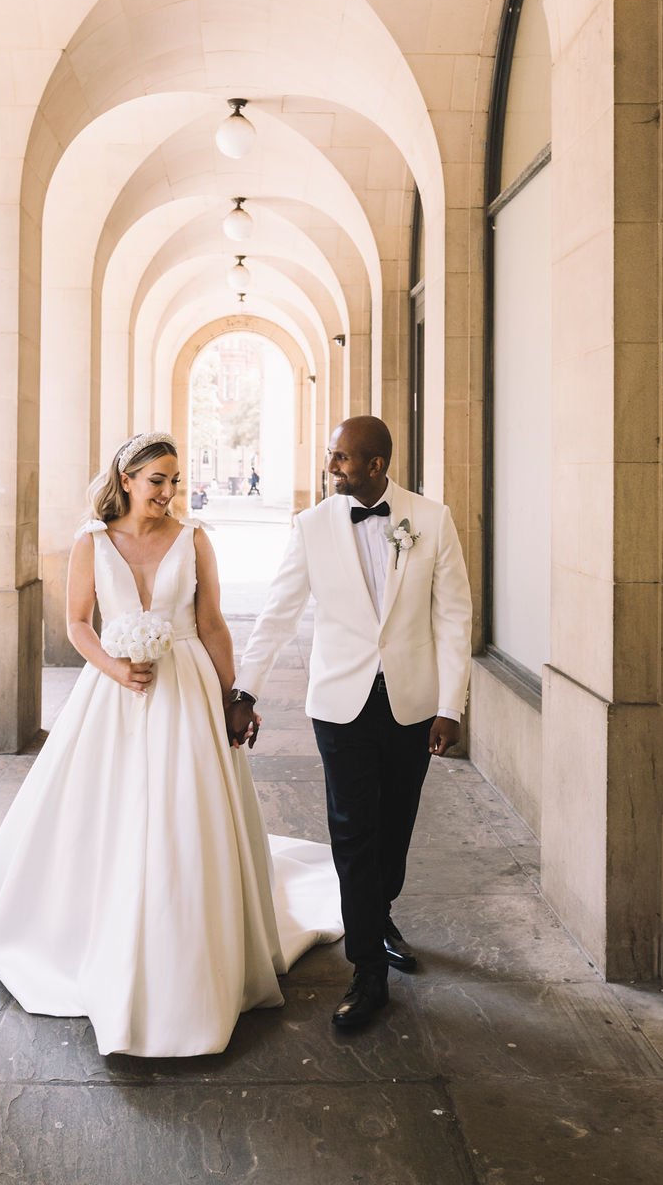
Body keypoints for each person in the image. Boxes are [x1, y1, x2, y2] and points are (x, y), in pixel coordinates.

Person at [0, 432, 341, 1057]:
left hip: (187, 687)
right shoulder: (90, 542)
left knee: (184, 814)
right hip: (113, 691)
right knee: (108, 810)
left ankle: (191, 943)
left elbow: (212, 621)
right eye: (157, 480)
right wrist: (115, 668)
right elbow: (79, 623)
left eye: (175, 481)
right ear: (127, 479)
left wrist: (233, 696)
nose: (168, 492)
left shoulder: (195, 539)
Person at [238, 416, 472, 1031]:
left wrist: (452, 704)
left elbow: (453, 618)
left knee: (395, 827)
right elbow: (278, 612)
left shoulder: (431, 520)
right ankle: (367, 969)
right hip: (339, 706)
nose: (331, 467)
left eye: (342, 459)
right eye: (330, 457)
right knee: (352, 831)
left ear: (376, 465)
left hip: (412, 704)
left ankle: (377, 909)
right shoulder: (311, 527)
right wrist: (245, 689)